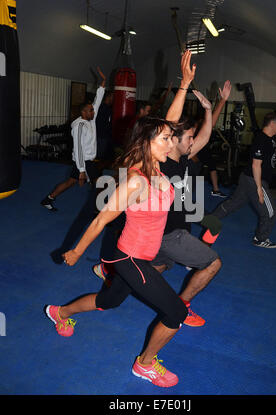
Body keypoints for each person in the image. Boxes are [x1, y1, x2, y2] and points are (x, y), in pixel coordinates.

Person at [45, 51, 196, 388]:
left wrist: (184, 86)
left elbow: (169, 123)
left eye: (171, 138)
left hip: (143, 254)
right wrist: (73, 251)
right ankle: (144, 364)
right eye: (165, 139)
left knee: (108, 302)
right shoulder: (136, 180)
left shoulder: (163, 165)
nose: (172, 141)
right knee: (176, 313)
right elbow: (99, 221)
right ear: (148, 144)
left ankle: (61, 312)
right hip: (127, 256)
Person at [150, 89, 222, 327]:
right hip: (169, 234)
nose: (193, 141)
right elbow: (167, 127)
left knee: (157, 268)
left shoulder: (182, 158)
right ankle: (183, 307)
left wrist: (210, 110)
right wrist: (182, 88)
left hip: (169, 233)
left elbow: (204, 136)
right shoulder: (160, 164)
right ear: (172, 141)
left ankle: (116, 276)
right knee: (213, 264)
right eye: (188, 137)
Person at [212, 106, 276, 248]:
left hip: (247, 178)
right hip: (255, 180)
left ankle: (211, 219)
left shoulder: (271, 136)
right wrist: (259, 188)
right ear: (272, 124)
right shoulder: (261, 139)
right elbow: (255, 165)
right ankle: (260, 238)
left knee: (233, 204)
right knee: (271, 212)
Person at [40, 67, 106, 211]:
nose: (93, 111)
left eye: (93, 110)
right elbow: (78, 148)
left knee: (70, 182)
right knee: (98, 183)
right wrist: (82, 170)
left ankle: (48, 199)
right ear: (83, 112)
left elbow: (97, 101)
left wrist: (102, 85)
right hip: (83, 161)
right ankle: (99, 210)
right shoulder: (79, 126)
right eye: (90, 110)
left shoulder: (90, 120)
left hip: (88, 160)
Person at [196, 80, 232, 197]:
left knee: (210, 166)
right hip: (197, 152)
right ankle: (215, 189)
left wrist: (222, 101)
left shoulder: (203, 125)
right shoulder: (198, 125)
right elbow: (210, 124)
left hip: (202, 149)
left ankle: (216, 189)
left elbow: (210, 123)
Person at [95, 90, 114, 165]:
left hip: (105, 136)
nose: (114, 98)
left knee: (105, 157)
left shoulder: (109, 109)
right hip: (101, 136)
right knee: (99, 156)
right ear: (108, 97)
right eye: (112, 96)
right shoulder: (103, 108)